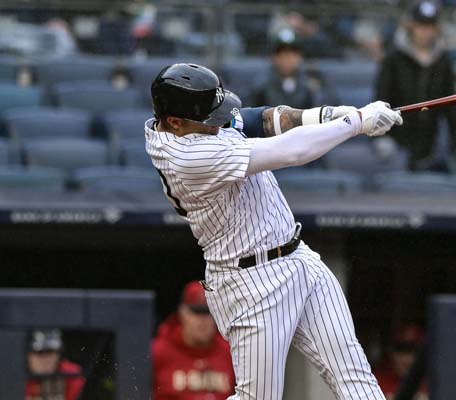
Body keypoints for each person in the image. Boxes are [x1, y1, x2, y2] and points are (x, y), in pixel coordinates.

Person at [145, 63, 402, 400]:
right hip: (250, 282)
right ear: (176, 122)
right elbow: (292, 150)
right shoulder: (188, 156)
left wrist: (328, 115)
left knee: (357, 382)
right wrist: (355, 123)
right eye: (210, 120)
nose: (219, 123)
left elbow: (262, 120)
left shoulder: (191, 123)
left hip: (300, 258)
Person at [375, 0, 456, 172]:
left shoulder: (442, 61)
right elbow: (381, 97)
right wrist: (382, 136)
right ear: (411, 26)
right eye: (421, 26)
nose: (425, 32)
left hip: (430, 141)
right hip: (397, 143)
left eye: (429, 26)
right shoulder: (394, 59)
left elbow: (452, 106)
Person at [152, 281, 236, 399]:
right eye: (196, 312)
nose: (202, 320)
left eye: (208, 312)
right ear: (182, 313)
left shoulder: (230, 352)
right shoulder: (157, 351)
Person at [253, 29, 330, 110]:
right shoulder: (260, 86)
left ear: (300, 57)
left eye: (292, 55)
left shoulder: (311, 84)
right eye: (282, 55)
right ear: (273, 58)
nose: (286, 60)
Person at [25, 329, 85, 400]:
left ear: (59, 354)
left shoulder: (71, 374)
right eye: (40, 352)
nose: (46, 358)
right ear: (27, 355)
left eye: (50, 351)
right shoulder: (15, 374)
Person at [374, 324, 428, 400]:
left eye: (415, 351)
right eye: (402, 350)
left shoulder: (432, 381)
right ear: (390, 351)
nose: (408, 359)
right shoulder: (375, 381)